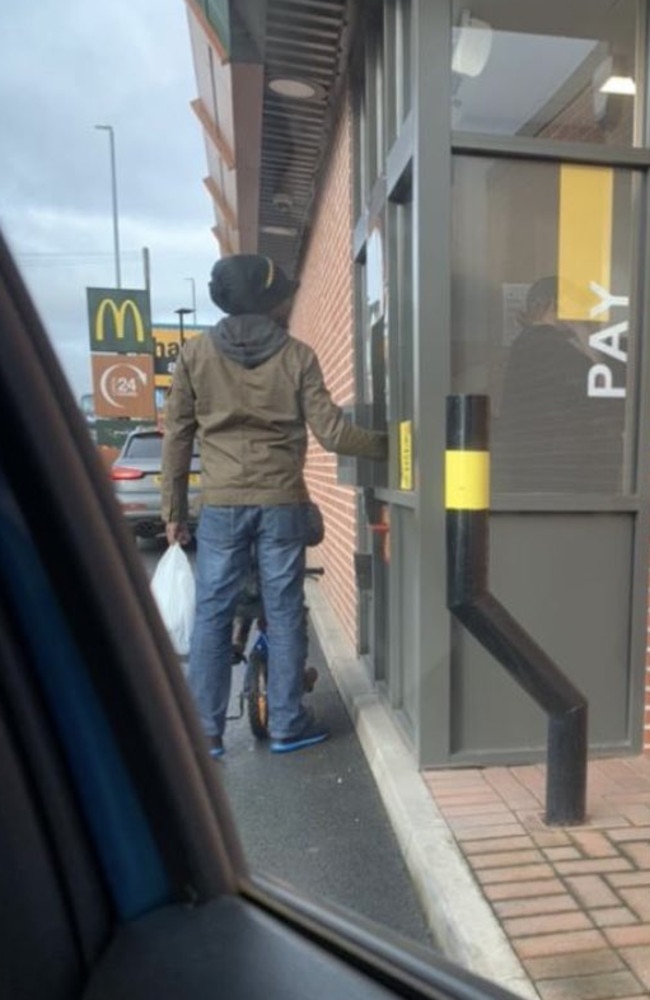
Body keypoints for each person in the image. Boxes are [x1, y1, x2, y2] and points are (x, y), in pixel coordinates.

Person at [161, 253, 387, 757]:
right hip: (282, 502)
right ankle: (288, 722)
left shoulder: (194, 356)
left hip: (220, 505)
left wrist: (174, 511)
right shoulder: (297, 355)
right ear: (270, 300)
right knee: (284, 610)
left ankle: (206, 732)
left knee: (214, 613)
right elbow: (333, 432)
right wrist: (388, 444)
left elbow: (177, 437)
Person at [492, 276, 625, 494]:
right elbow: (602, 383)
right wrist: (581, 330)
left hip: (531, 463)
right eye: (576, 306)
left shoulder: (526, 343)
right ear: (555, 304)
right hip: (556, 469)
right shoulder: (549, 347)